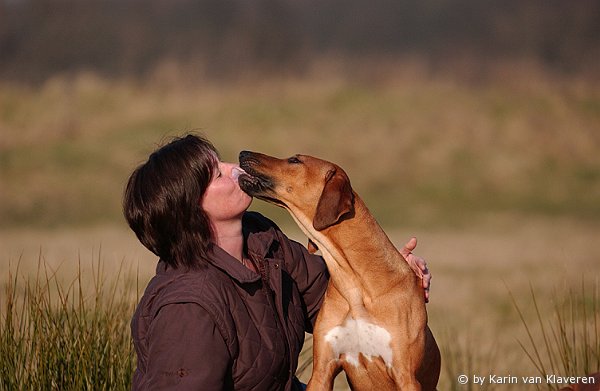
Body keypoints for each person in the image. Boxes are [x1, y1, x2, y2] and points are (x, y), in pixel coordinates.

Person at [123, 134, 431, 391]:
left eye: (221, 162)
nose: (233, 168)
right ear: (190, 210)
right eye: (217, 174)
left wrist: (392, 276)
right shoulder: (188, 308)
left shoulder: (263, 240)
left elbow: (339, 300)